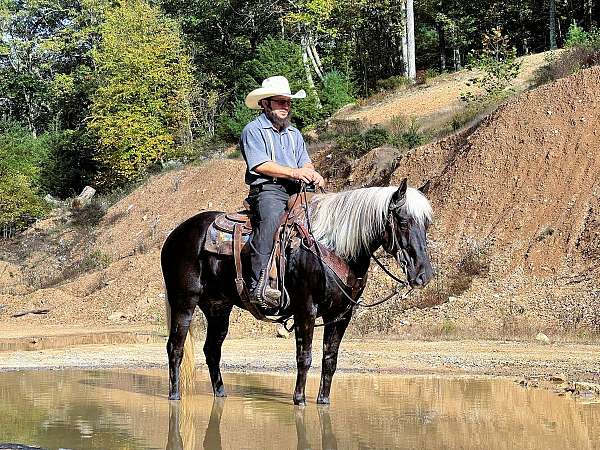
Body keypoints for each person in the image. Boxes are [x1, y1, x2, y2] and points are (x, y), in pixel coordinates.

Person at [240, 75, 325, 308]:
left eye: (288, 102)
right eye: (279, 102)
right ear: (265, 103)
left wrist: (311, 172)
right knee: (270, 222)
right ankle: (259, 284)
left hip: (296, 189)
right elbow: (259, 165)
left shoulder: (295, 134)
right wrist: (294, 172)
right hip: (268, 188)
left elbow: (305, 162)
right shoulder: (253, 130)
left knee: (322, 218)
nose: (285, 107)